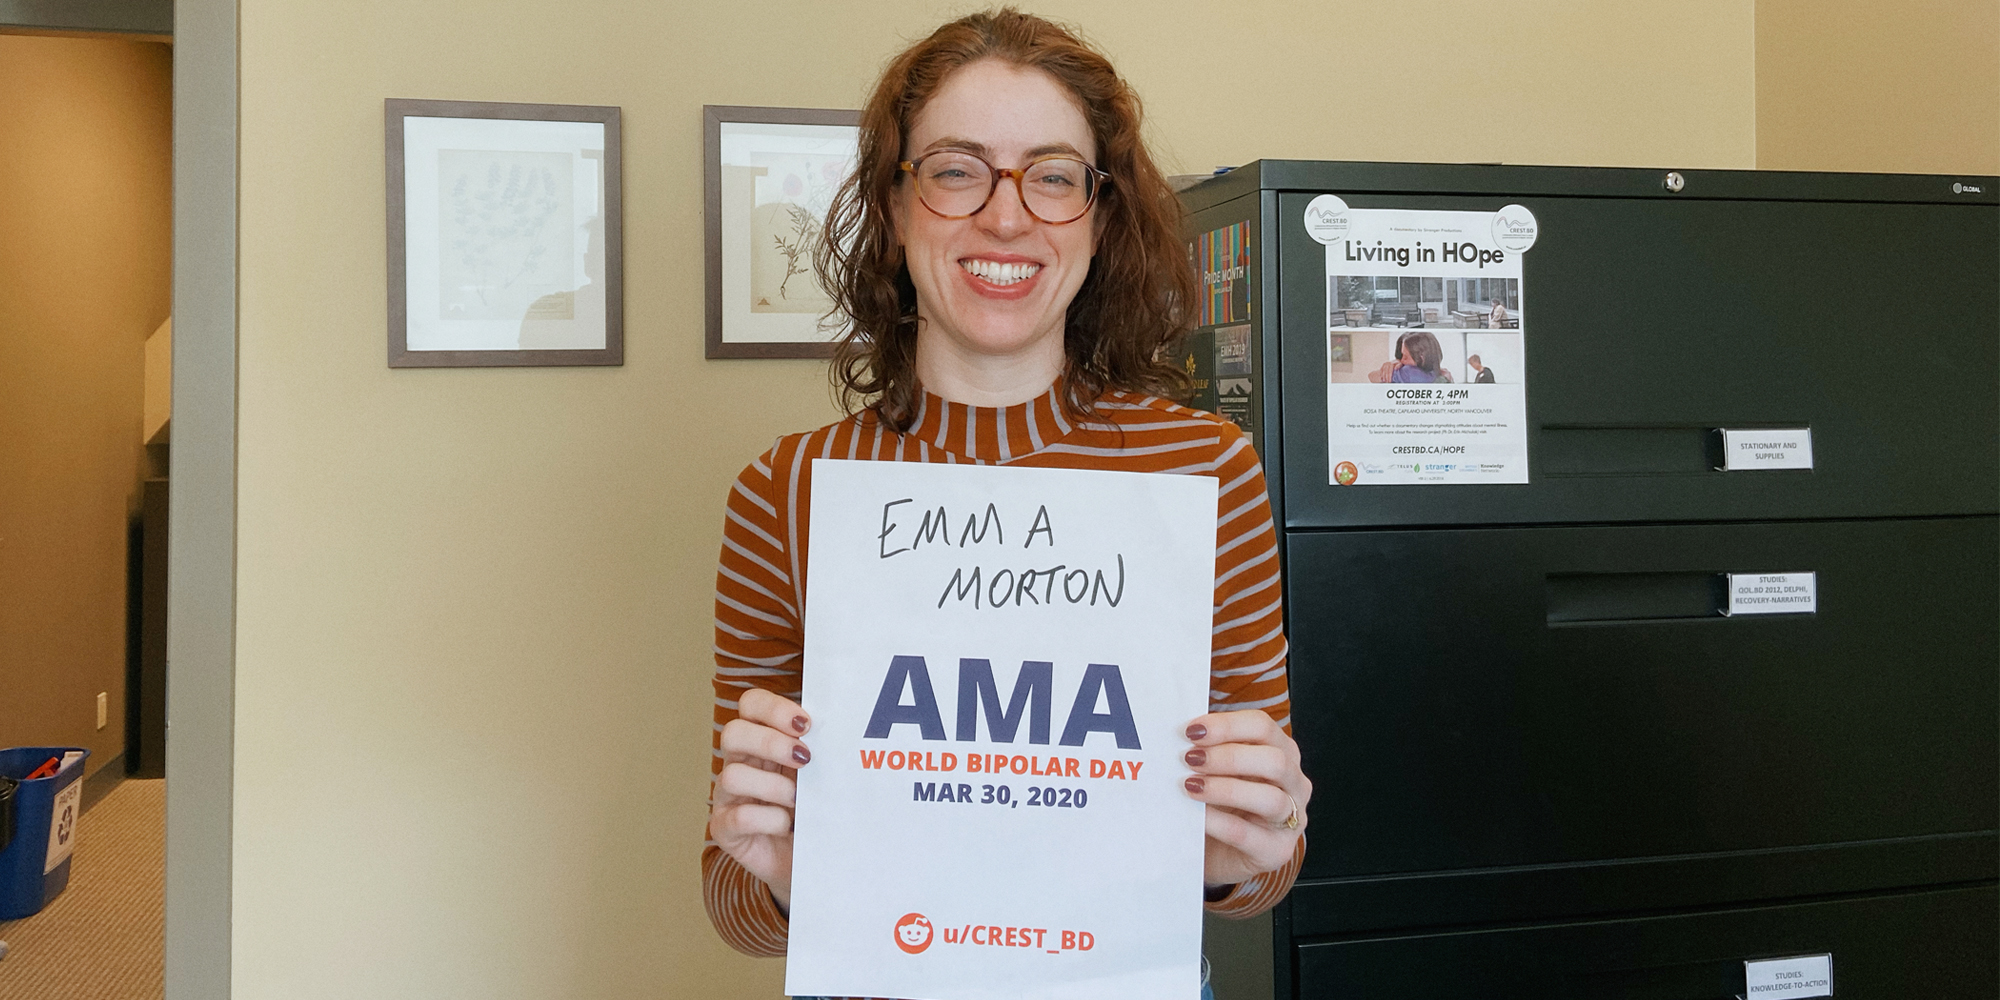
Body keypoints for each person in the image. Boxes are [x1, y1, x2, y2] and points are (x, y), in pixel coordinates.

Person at [701, 7, 1310, 989]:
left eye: (1053, 175)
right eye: (955, 169)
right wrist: (772, 869)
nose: (1006, 214)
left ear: (1099, 214)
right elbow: (735, 906)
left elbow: (1265, 871)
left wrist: (1248, 841)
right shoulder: (788, 489)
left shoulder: (1206, 471)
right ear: (895, 208)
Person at [1368, 330, 1451, 383]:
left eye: (1405, 357)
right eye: (1401, 356)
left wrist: (1392, 366)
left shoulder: (1409, 372)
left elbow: (1372, 376)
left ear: (1422, 357)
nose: (1402, 361)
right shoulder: (1437, 373)